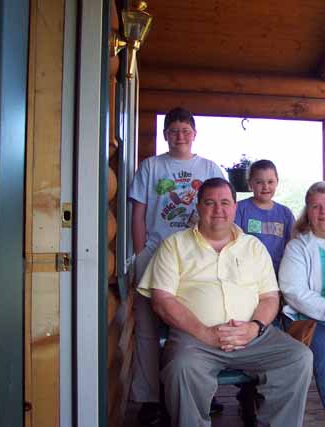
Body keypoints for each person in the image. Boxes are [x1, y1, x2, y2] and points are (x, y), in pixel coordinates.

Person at [137, 178, 313, 427]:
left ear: (234, 207)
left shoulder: (253, 247)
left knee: (298, 357)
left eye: (225, 202)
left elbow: (270, 297)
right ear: (198, 207)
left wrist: (254, 327)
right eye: (209, 203)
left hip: (253, 336)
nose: (218, 210)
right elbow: (162, 300)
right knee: (182, 367)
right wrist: (205, 333)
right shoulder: (174, 246)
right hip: (195, 339)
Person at [128, 107, 225, 424]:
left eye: (185, 130)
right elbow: (139, 213)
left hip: (197, 257)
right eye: (173, 130)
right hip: (156, 253)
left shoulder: (209, 167)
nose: (180, 135)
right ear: (165, 134)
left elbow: (223, 208)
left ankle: (200, 394)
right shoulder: (151, 166)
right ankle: (150, 398)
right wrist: (141, 251)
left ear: (194, 134)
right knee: (146, 327)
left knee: (197, 322)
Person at [279, 181, 325, 424]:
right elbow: (294, 293)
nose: (323, 212)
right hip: (311, 320)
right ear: (307, 212)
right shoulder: (298, 246)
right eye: (315, 206)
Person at [234, 159, 295, 275]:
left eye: (270, 182)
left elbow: (292, 246)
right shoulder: (239, 209)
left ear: (277, 182)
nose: (265, 187)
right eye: (259, 182)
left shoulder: (285, 213)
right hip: (247, 273)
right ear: (250, 184)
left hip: (277, 274)